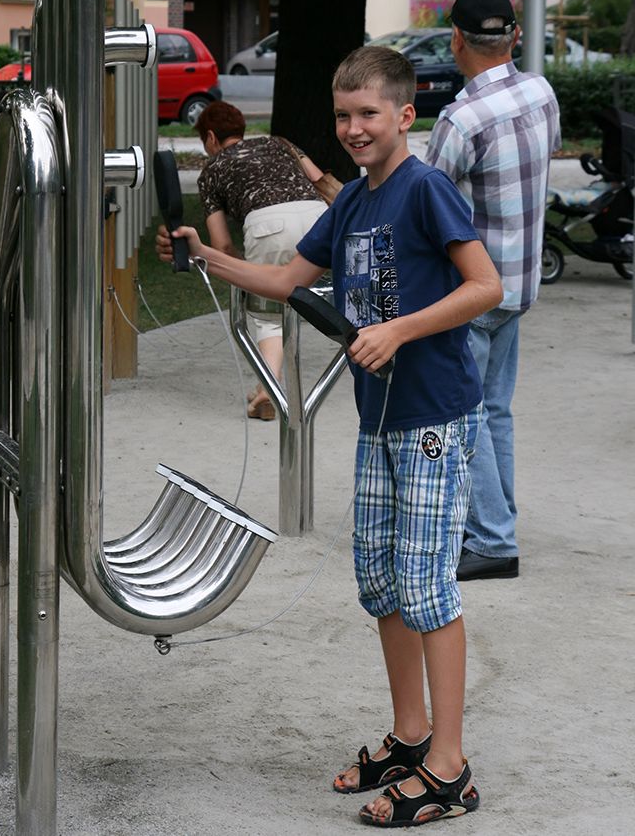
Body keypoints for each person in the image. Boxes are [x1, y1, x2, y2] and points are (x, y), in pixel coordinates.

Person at [158, 46, 503, 827]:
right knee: (380, 582)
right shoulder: (350, 204)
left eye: (369, 114)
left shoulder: (425, 190)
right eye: (343, 115)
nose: (353, 128)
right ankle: (412, 738)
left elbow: (487, 285)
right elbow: (284, 281)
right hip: (378, 417)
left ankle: (450, 769)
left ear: (405, 116)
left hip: (434, 419)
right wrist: (206, 255)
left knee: (424, 586)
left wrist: (401, 331)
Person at [426, 0, 561, 582]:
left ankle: (493, 540)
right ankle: (497, 521)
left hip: (475, 290)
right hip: (522, 282)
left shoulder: (460, 117)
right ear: (514, 37)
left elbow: (424, 199)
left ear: (456, 40)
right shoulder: (541, 91)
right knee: (496, 410)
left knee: (468, 414)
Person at [193, 100, 328, 419]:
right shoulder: (279, 142)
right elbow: (319, 178)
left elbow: (222, 246)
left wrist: (248, 273)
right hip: (318, 216)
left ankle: (269, 387)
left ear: (211, 137)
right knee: (313, 296)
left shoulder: (212, 170)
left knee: (267, 312)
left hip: (268, 225)